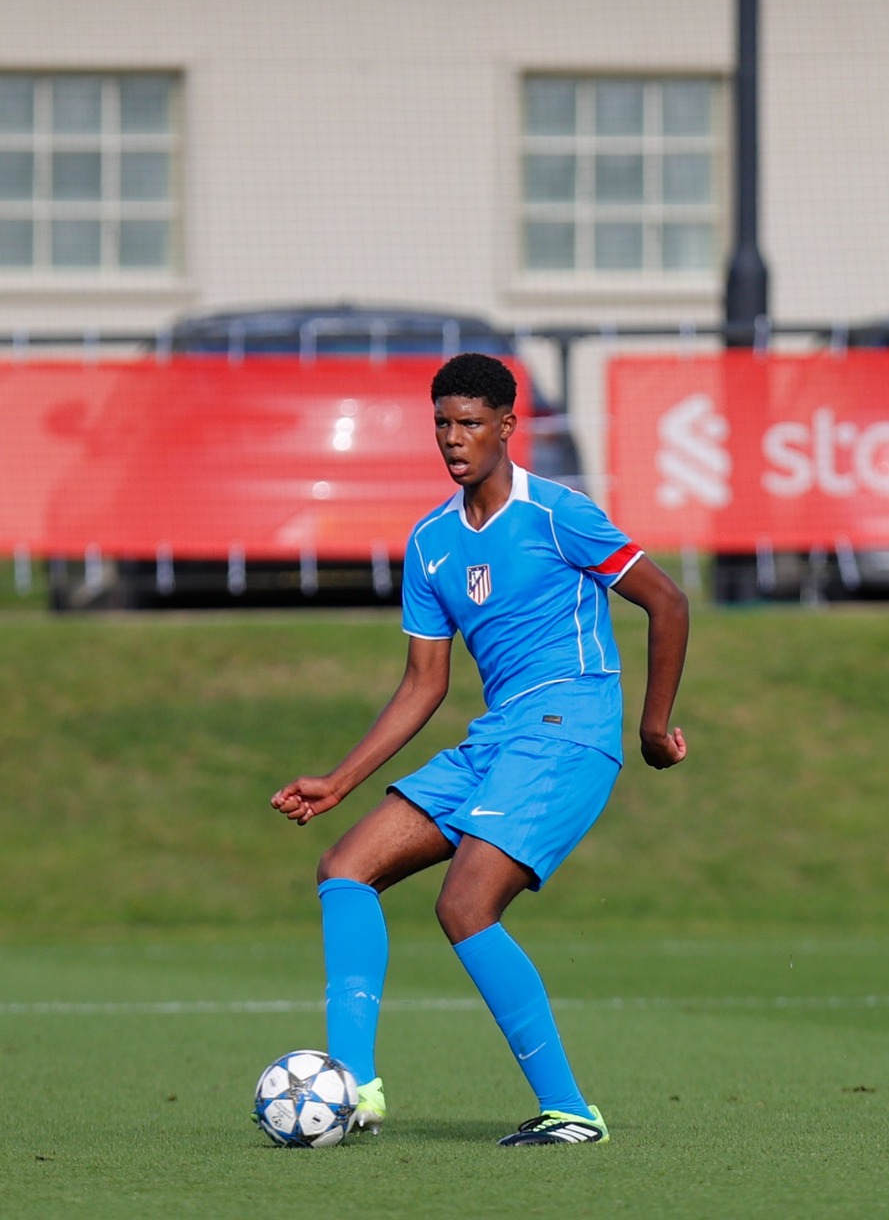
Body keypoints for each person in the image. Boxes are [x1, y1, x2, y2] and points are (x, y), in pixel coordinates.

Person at [270, 352, 689, 1146]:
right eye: (442, 423)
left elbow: (667, 601)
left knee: (464, 905)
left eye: (469, 423)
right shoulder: (430, 543)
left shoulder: (558, 513)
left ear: (506, 426)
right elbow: (423, 685)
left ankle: (571, 1112)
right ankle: (355, 1088)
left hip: (571, 728)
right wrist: (339, 781)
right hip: (498, 737)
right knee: (344, 868)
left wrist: (651, 727)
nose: (453, 439)